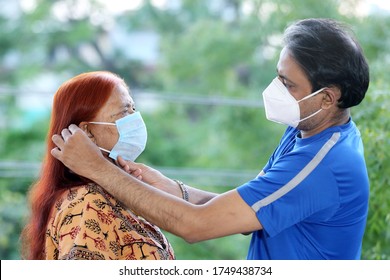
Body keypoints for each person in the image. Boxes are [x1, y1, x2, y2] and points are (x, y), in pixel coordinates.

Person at [50, 18, 370, 259]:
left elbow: (197, 226)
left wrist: (97, 167)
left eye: (288, 84)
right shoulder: (306, 130)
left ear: (327, 98)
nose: (275, 89)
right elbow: (251, 213)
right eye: (278, 75)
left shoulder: (321, 164)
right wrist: (173, 188)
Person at [20, 71, 175, 260]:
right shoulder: (87, 203)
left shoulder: (111, 194)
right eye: (124, 112)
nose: (135, 119)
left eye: (133, 109)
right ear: (87, 132)